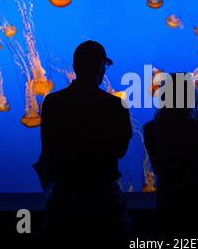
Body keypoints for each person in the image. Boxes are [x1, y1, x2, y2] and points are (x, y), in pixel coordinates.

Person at [33, 40, 133, 235]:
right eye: (104, 65)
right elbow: (120, 151)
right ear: (101, 67)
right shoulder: (116, 106)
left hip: (65, 198)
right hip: (104, 198)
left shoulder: (52, 103)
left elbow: (48, 148)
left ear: (75, 68)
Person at [143, 73, 198, 235]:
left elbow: (157, 167)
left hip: (168, 200)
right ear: (192, 96)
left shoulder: (150, 129)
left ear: (164, 97)